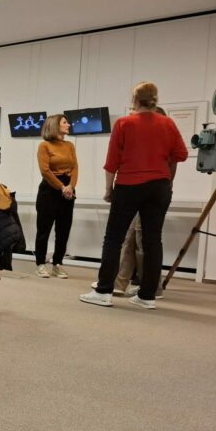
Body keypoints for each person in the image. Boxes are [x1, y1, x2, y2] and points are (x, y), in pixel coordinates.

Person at [80, 83, 187, 309]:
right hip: (159, 187)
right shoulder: (167, 123)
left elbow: (112, 162)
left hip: (129, 185)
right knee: (152, 240)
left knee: (113, 238)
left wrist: (109, 189)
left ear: (134, 99)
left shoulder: (124, 123)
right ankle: (147, 296)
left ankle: (103, 291)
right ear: (155, 99)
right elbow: (181, 154)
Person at [34, 114, 78, 279]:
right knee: (44, 229)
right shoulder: (44, 146)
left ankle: (57, 263)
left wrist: (71, 186)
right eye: (65, 122)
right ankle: (40, 263)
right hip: (49, 189)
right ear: (55, 125)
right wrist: (62, 187)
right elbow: (45, 171)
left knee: (64, 229)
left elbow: (75, 167)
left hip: (68, 189)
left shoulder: (69, 145)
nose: (68, 124)